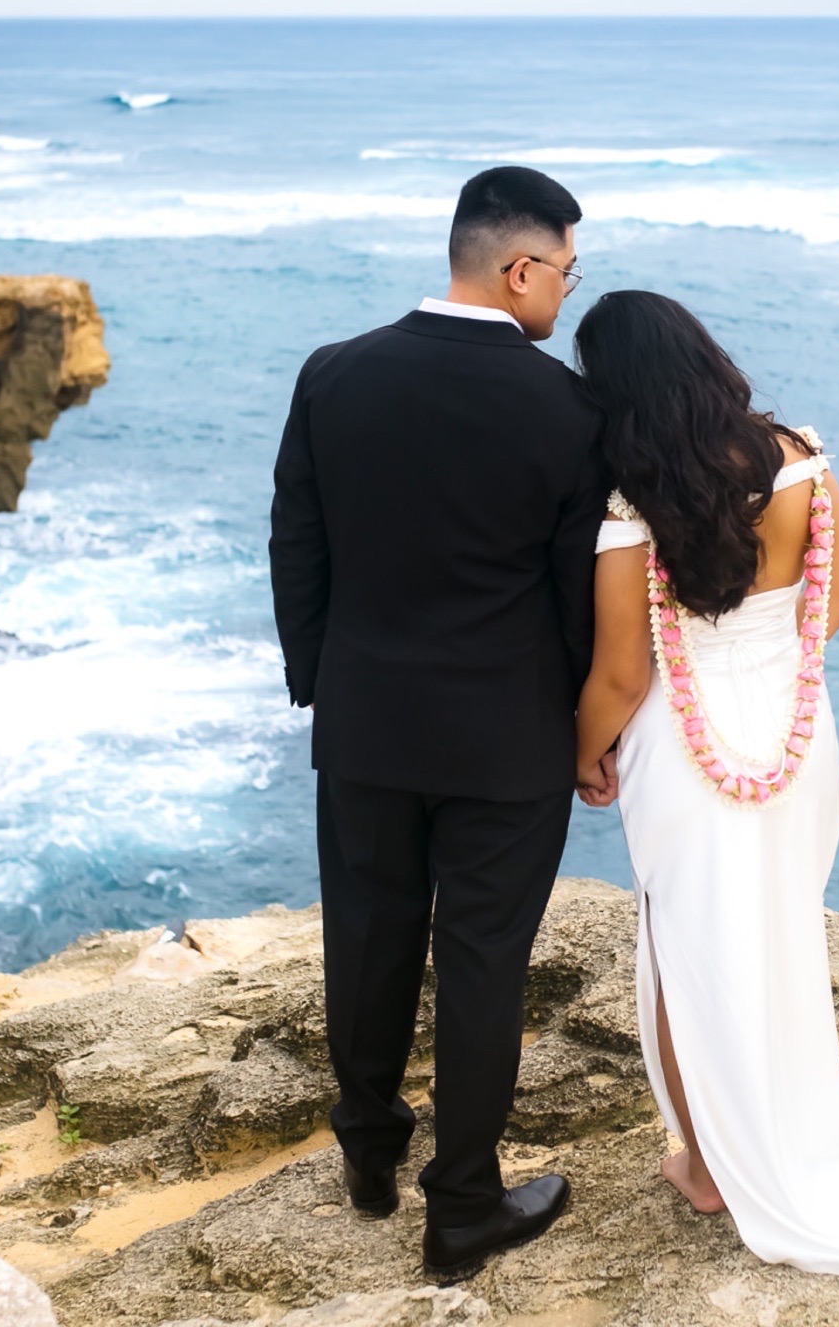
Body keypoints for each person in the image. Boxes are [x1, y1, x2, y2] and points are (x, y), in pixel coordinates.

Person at [268, 166, 609, 1281]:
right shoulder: (567, 408)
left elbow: (298, 542)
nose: (565, 291)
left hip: (366, 716)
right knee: (481, 962)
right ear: (520, 268)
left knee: (365, 934)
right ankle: (460, 1204)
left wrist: (323, 679)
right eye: (565, 268)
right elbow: (576, 591)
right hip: (505, 736)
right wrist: (573, 720)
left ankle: (369, 1151)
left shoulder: (334, 374)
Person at [569, 289, 839, 1280]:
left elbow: (623, 675)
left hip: (689, 745)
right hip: (795, 735)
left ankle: (712, 1165)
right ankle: (781, 1127)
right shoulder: (801, 456)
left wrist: (582, 753)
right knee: (777, 933)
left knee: (692, 949)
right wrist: (778, 671)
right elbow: (838, 592)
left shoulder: (635, 507)